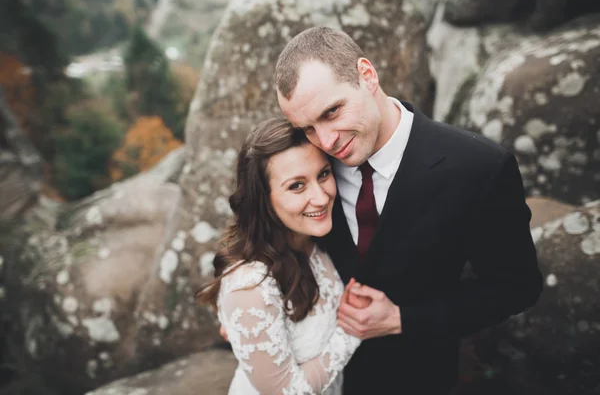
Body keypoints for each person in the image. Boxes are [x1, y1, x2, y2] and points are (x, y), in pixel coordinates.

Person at [274, 27, 544, 394]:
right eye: (307, 128)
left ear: (367, 75)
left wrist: (404, 319)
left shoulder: (480, 168)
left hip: (420, 378)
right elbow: (258, 228)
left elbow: (517, 286)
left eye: (332, 111)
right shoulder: (307, 164)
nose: (326, 141)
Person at [197, 118, 370, 395]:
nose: (321, 197)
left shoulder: (316, 240)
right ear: (263, 200)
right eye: (296, 186)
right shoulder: (250, 287)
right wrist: (353, 332)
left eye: (323, 174)